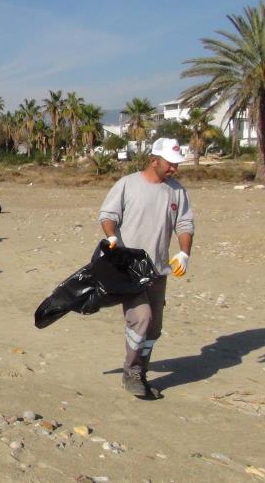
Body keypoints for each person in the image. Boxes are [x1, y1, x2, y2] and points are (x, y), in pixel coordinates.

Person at [99, 137, 194, 398]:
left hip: (158, 270)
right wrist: (112, 237)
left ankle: (141, 371)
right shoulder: (128, 184)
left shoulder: (177, 191)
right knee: (142, 317)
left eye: (177, 164)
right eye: (170, 164)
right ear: (154, 160)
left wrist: (184, 253)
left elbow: (184, 225)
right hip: (129, 268)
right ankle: (131, 373)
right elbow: (108, 215)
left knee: (154, 329)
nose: (174, 169)